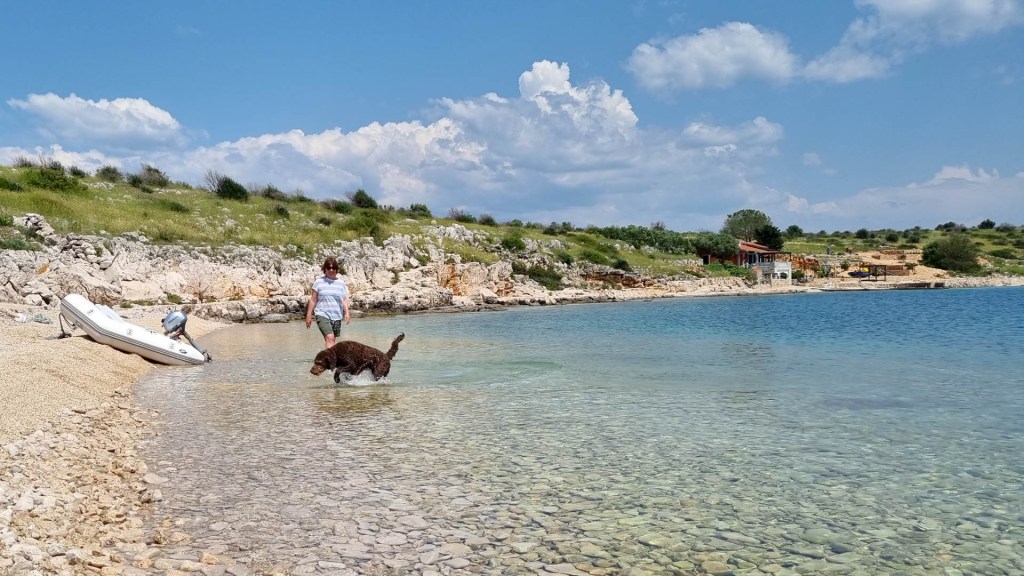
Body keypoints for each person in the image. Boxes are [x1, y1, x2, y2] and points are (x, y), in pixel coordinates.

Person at [305, 257, 351, 348]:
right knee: (330, 337)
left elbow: (344, 299)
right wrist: (308, 315)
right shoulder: (319, 282)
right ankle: (329, 357)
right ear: (325, 269)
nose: (331, 270)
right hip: (322, 314)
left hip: (337, 316)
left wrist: (347, 313)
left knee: (331, 340)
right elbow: (313, 300)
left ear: (336, 269)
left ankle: (327, 356)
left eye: (333, 268)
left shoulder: (341, 283)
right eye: (329, 268)